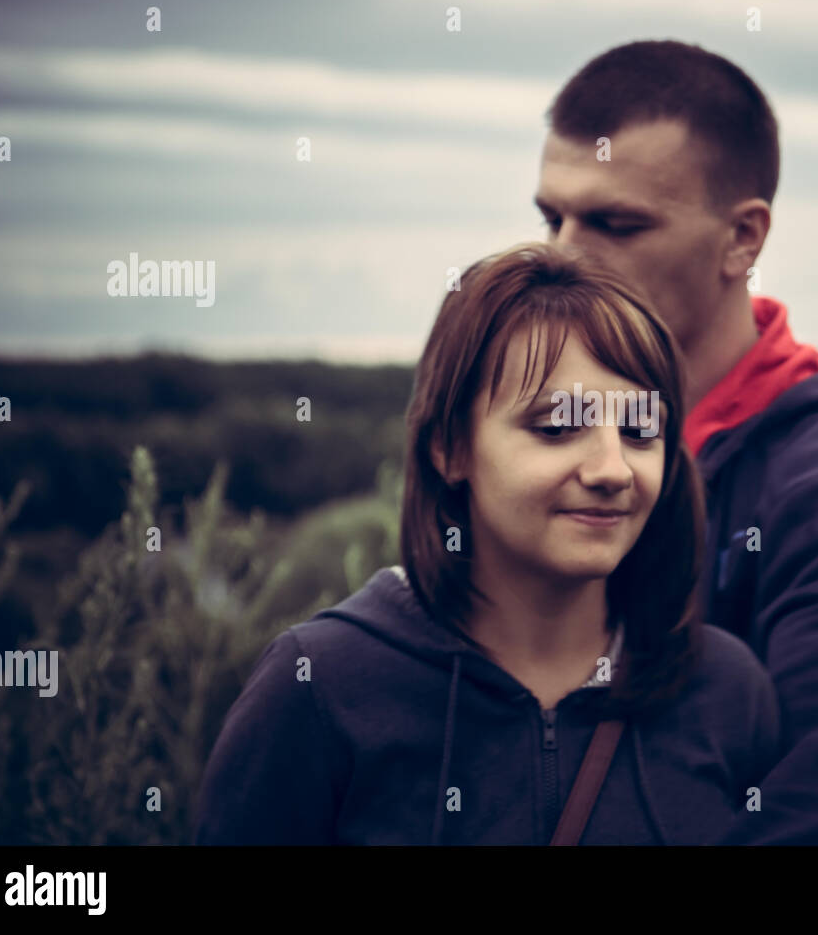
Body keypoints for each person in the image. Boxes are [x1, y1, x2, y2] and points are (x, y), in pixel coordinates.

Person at [193, 242, 781, 845]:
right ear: (450, 446)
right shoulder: (319, 686)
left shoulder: (727, 692)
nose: (613, 469)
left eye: (639, 429)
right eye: (556, 427)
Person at [534, 40, 818, 844]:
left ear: (743, 239)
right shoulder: (524, 441)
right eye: (552, 216)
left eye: (615, 223)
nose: (562, 256)